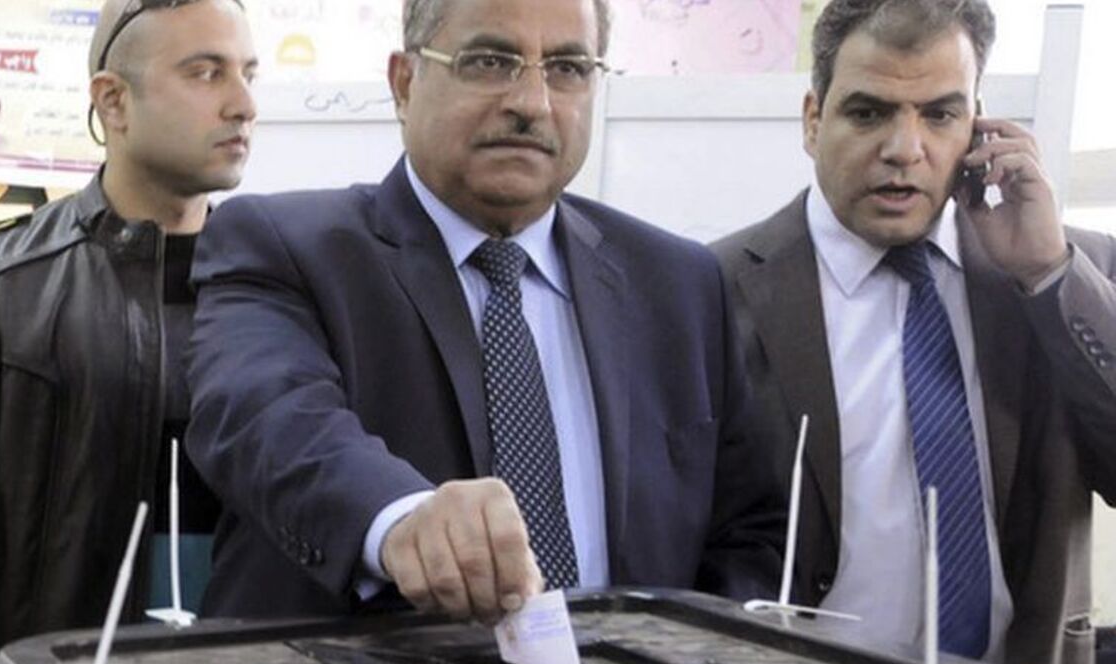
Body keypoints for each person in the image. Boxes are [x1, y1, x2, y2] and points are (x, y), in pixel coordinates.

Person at [185, 0, 784, 626]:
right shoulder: (282, 247)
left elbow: (750, 530)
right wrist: (402, 521)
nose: (534, 102)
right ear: (404, 83)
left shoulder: (682, 286)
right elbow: (267, 416)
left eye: (568, 68)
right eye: (491, 61)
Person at [713, 0, 1116, 664]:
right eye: (868, 113)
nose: (905, 149)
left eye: (939, 114)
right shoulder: (714, 288)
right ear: (814, 120)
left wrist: (1047, 277)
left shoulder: (1065, 273)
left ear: (978, 125)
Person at [0, 1, 257, 664]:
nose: (242, 104)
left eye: (247, 73)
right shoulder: (2, 286)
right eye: (205, 73)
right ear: (113, 101)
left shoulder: (281, 285)